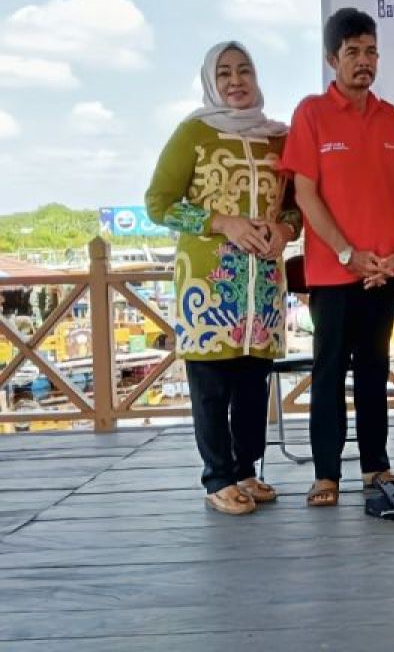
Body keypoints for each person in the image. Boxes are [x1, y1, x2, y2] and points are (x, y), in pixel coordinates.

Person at [145, 41, 299, 515]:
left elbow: (295, 204)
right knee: (211, 386)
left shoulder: (280, 137)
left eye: (244, 71)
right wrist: (223, 222)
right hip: (209, 285)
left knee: (255, 384)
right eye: (225, 72)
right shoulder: (193, 132)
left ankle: (246, 471)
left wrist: (285, 228)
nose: (236, 81)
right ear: (211, 81)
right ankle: (217, 478)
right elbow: (160, 202)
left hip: (263, 284)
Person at [280, 8, 394, 508]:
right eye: (353, 53)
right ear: (331, 58)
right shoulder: (311, 114)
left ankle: (375, 467)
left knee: (373, 371)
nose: (364, 62)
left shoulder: (392, 117)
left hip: (385, 272)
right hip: (334, 274)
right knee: (330, 369)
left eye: (371, 52)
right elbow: (306, 194)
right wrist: (346, 252)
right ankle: (325, 475)